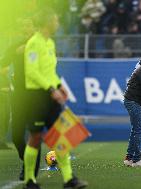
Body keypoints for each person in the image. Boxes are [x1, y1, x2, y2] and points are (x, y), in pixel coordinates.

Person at [23, 8, 87, 189]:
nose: (58, 23)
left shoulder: (50, 43)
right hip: (36, 97)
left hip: (50, 94)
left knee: (60, 138)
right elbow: (32, 72)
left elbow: (49, 72)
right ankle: (29, 180)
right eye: (55, 20)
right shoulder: (33, 43)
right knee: (35, 137)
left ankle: (69, 180)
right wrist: (51, 89)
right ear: (47, 22)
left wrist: (60, 86)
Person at [0, 18, 42, 181]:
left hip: (35, 95)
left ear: (34, 27)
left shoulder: (40, 45)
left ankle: (30, 171)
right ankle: (26, 161)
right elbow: (3, 62)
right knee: (17, 136)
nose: (25, 29)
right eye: (22, 26)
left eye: (28, 25)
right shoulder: (15, 46)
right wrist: (15, 53)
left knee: (34, 134)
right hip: (18, 96)